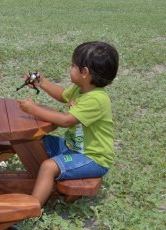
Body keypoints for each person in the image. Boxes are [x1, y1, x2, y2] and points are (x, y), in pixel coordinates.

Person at [18, 41, 119, 206]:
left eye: (73, 65)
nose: (70, 68)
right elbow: (63, 95)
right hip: (72, 147)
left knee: (48, 167)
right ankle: (41, 181)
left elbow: (66, 120)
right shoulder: (81, 88)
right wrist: (41, 82)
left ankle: (32, 208)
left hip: (93, 158)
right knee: (33, 140)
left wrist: (33, 109)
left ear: (84, 72)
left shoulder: (97, 99)